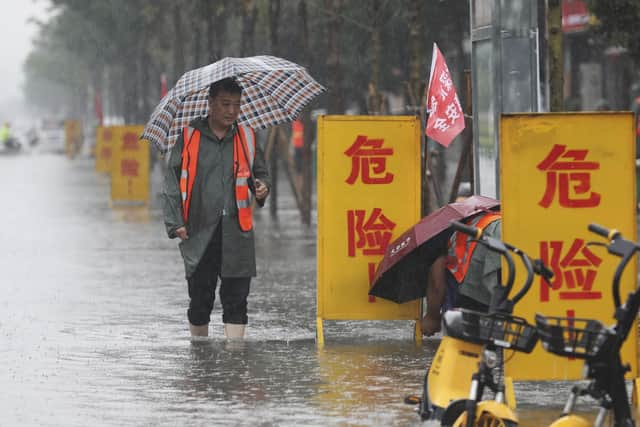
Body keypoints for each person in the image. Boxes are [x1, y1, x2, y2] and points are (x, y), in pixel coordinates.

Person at [163, 77, 271, 340]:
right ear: (210, 103)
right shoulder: (188, 137)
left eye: (237, 104)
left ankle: (234, 366)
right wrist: (175, 222)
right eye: (225, 104)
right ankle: (200, 360)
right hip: (199, 231)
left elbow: (262, 173)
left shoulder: (247, 136)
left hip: (237, 231)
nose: (232, 111)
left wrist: (262, 188)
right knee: (200, 300)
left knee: (237, 301)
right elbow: (172, 182)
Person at [421, 209, 502, 336]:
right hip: (499, 274)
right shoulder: (490, 218)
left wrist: (432, 317)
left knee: (465, 340)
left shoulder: (437, 236)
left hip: (473, 290)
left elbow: (437, 284)